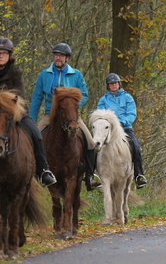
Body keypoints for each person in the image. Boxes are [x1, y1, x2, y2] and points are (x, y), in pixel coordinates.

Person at [29, 43, 100, 190]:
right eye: (56, 55)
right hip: (50, 115)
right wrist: (31, 119)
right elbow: (37, 98)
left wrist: (72, 107)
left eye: (61, 56)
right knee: (32, 141)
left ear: (67, 58)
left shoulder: (77, 75)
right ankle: (36, 174)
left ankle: (89, 175)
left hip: (71, 116)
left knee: (91, 143)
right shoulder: (45, 75)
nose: (58, 58)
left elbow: (85, 94)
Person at [0, 37, 57, 186]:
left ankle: (44, 171)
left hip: (15, 112)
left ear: (9, 55)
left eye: (4, 53)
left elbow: (20, 95)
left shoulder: (15, 72)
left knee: (35, 132)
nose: (1, 55)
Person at [96, 73, 147, 189]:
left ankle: (139, 175)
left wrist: (122, 122)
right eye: (111, 84)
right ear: (108, 86)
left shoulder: (127, 97)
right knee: (94, 144)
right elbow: (100, 114)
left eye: (115, 83)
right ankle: (93, 174)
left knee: (136, 145)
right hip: (107, 130)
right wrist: (108, 124)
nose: (113, 85)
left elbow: (132, 113)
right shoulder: (103, 100)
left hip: (125, 128)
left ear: (119, 84)